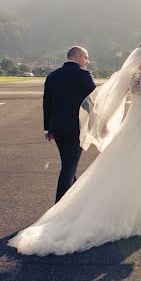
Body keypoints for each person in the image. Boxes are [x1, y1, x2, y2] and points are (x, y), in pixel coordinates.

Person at [9, 41, 141, 256]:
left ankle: (121, 209)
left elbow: (112, 101)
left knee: (125, 166)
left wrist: (102, 125)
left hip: (130, 125)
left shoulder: (127, 74)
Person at [42, 46, 97, 202]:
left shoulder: (52, 76)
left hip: (57, 128)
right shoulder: (84, 75)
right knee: (68, 168)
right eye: (86, 57)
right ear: (78, 56)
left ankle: (76, 202)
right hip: (76, 129)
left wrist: (48, 128)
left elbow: (47, 104)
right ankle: (59, 207)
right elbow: (94, 100)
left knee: (69, 165)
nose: (87, 61)